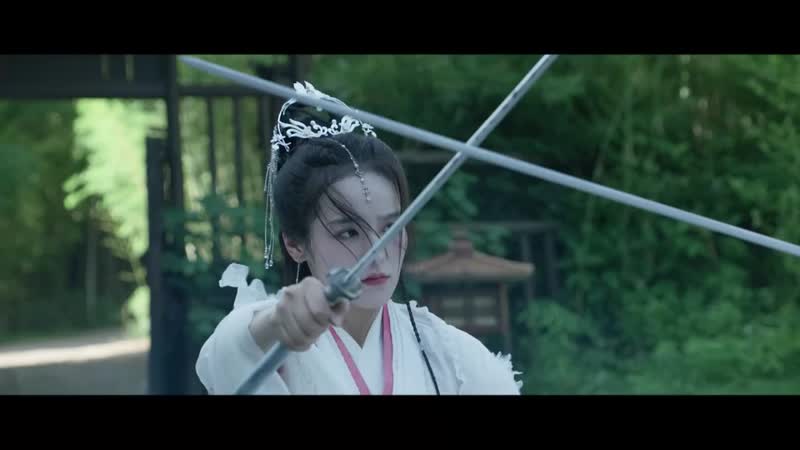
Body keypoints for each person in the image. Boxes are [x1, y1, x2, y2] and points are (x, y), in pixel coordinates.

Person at [195, 82, 523, 395]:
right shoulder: (270, 339)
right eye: (348, 232)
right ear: (295, 244)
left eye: (390, 227)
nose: (377, 253)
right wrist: (278, 321)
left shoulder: (449, 354)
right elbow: (234, 349)